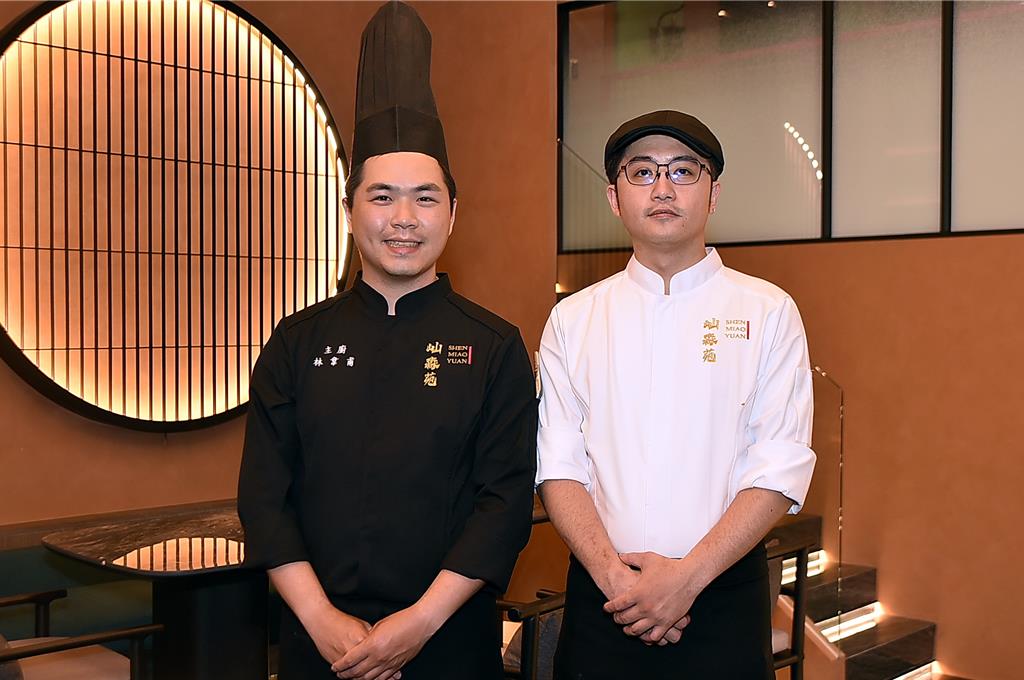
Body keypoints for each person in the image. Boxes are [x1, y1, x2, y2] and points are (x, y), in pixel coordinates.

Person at [237, 4, 537, 679]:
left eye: (425, 198)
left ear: (453, 214)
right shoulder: (297, 342)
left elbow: (503, 503)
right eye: (382, 197)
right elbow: (264, 497)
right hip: (320, 646)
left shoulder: (493, 346)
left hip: (448, 642)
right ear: (349, 212)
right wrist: (321, 620)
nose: (404, 218)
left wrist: (419, 623)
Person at [536, 110, 816, 679]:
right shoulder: (573, 319)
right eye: (642, 172)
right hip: (604, 599)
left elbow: (777, 466)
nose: (662, 188)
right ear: (614, 198)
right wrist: (617, 581)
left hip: (722, 598)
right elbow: (558, 465)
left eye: (684, 171)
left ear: (714, 194)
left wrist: (686, 579)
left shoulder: (768, 311)